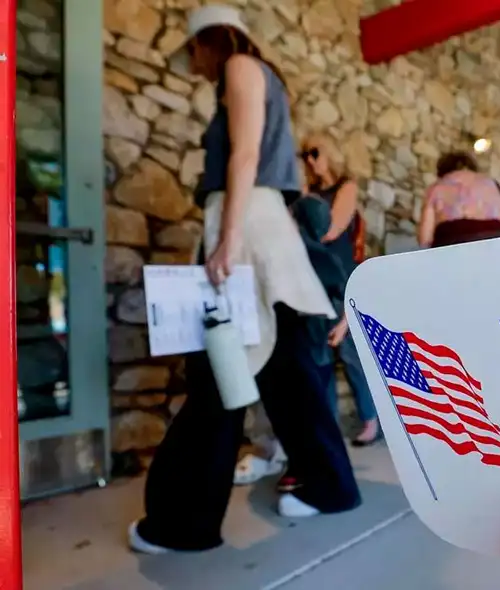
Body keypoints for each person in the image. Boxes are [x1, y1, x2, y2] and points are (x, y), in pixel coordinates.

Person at [130, 5, 360, 554]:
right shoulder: (259, 75)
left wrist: (226, 239)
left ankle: (183, 524)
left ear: (210, 42)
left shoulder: (239, 66)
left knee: (221, 375)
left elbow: (246, 156)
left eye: (194, 53)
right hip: (261, 233)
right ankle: (330, 487)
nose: (196, 64)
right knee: (284, 374)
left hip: (248, 232)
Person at [298, 135, 379, 448]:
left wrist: (307, 207)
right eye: (304, 154)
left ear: (330, 152)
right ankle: (327, 426)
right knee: (320, 357)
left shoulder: (346, 186)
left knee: (351, 354)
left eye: (314, 152)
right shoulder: (309, 193)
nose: (309, 160)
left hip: (342, 274)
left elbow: (330, 229)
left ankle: (370, 421)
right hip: (313, 276)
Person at [418, 151, 500, 247]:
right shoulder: (491, 184)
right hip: (493, 238)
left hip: (452, 241)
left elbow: (425, 238)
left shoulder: (436, 188)